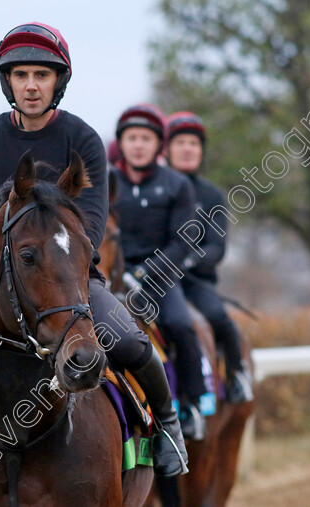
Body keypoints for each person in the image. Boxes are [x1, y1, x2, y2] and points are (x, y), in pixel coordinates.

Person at [0, 22, 189, 484]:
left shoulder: (83, 140)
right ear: (9, 82)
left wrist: (67, 268)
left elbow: (92, 224)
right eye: (21, 75)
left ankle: (167, 426)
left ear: (58, 81)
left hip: (72, 282)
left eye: (42, 74)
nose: (32, 85)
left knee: (134, 343)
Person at [110, 103, 211, 440]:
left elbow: (183, 242)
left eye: (146, 138)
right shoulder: (105, 182)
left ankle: (194, 404)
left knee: (182, 325)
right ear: (121, 143)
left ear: (158, 145)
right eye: (132, 137)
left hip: (161, 281)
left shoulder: (177, 185)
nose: (138, 144)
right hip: (112, 281)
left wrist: (144, 274)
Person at [166, 111, 253, 404]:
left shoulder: (212, 195)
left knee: (218, 317)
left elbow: (218, 246)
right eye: (181, 142)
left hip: (195, 281)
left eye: (194, 143)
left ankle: (237, 375)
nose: (188, 149)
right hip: (157, 280)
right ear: (166, 149)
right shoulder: (158, 188)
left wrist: (189, 261)